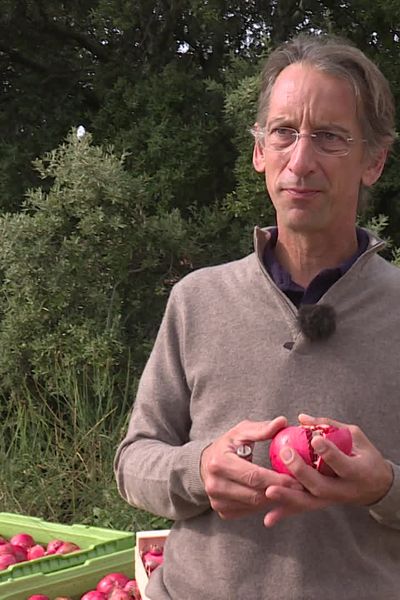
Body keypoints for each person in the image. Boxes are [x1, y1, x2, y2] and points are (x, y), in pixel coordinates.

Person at [114, 33, 400, 600]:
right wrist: (201, 470)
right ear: (258, 152)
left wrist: (384, 486)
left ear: (374, 160)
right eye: (284, 132)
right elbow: (133, 462)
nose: (301, 160)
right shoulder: (197, 300)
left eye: (329, 138)